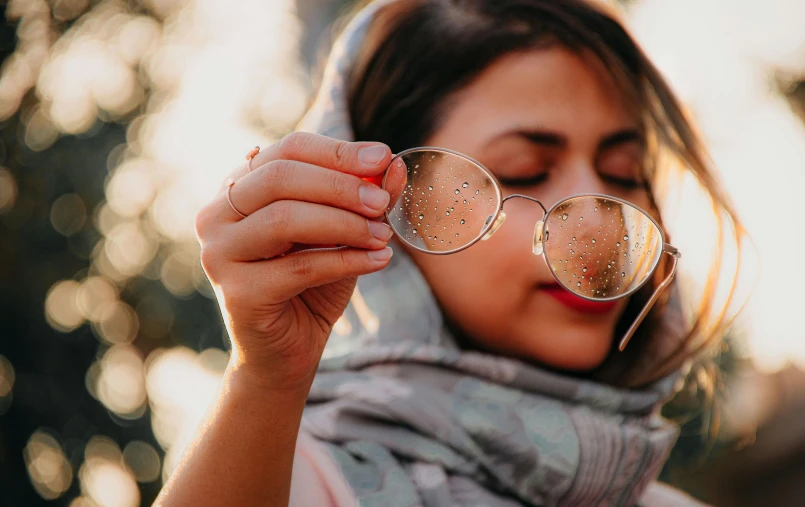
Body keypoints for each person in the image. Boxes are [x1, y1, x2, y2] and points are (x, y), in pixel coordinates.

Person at [154, 0, 743, 505]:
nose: (598, 221)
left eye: (624, 174)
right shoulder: (282, 476)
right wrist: (264, 379)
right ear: (384, 196)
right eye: (527, 171)